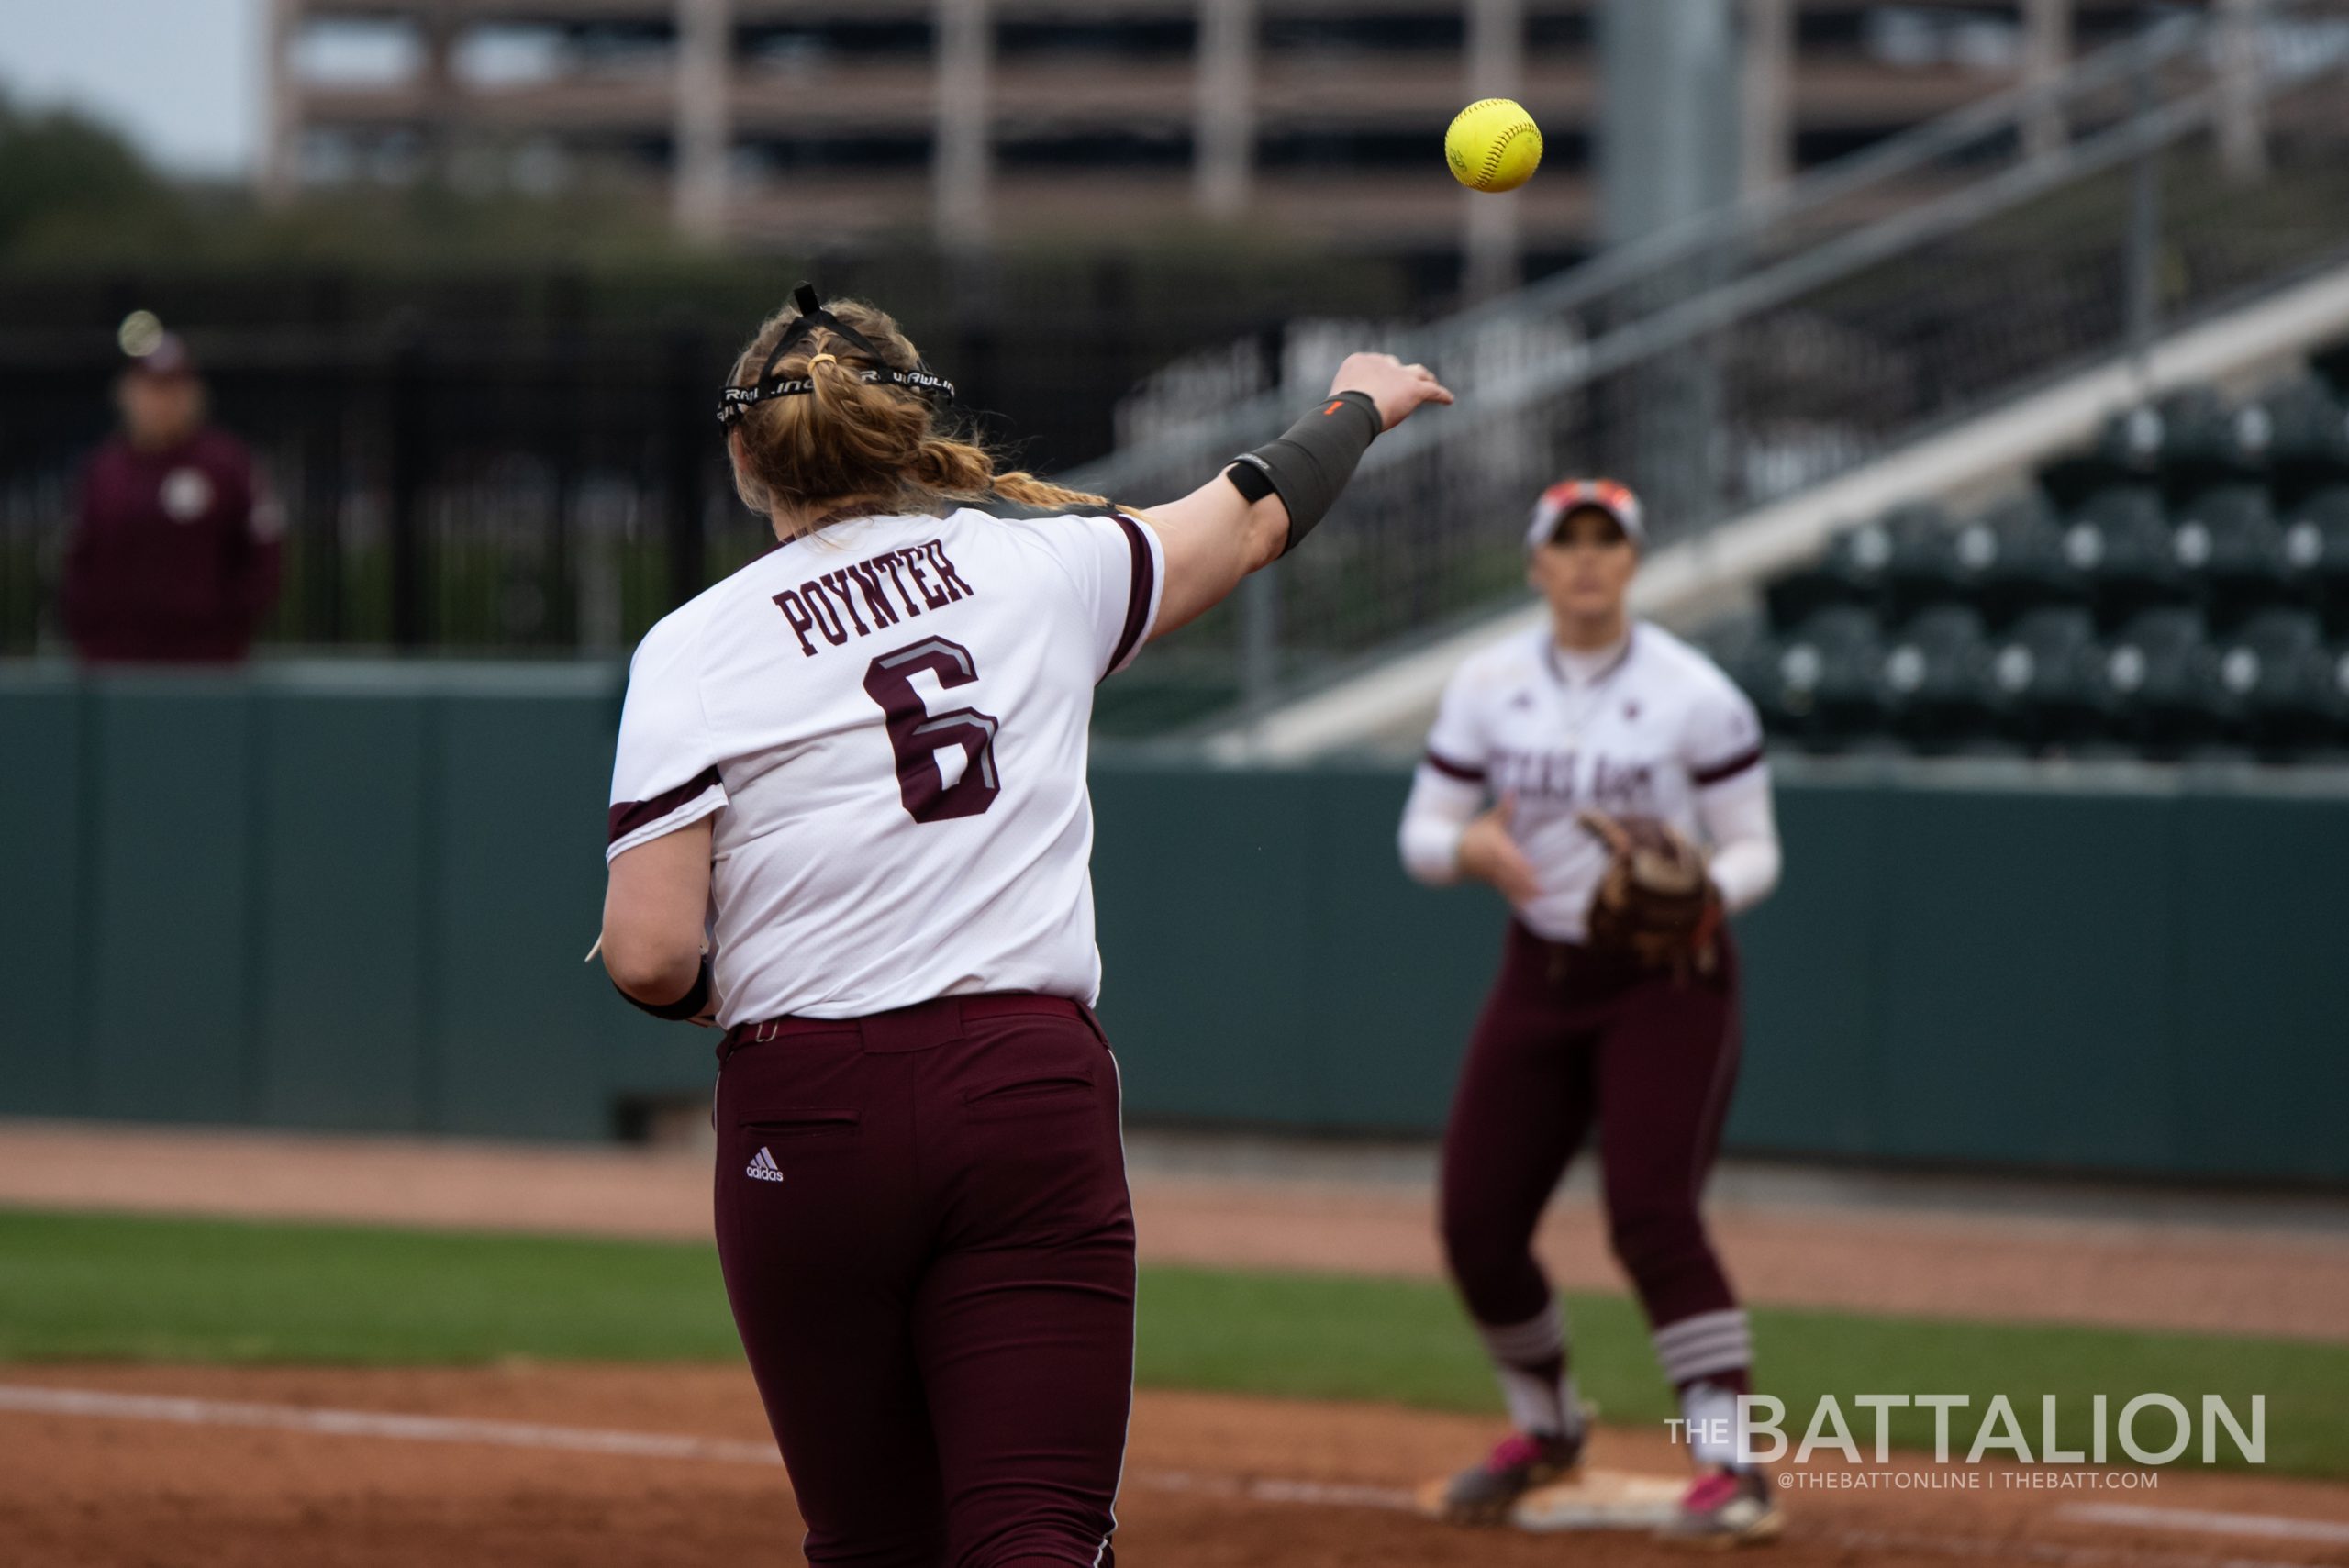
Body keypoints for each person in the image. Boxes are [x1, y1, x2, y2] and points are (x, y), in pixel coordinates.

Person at [597, 284, 1449, 1567]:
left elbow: (652, 952)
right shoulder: (1040, 565)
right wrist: (1359, 404)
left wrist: (721, 992)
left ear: (742, 455)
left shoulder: (693, 648)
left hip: (810, 1107)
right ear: (908, 428)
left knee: (873, 1543)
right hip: (1023, 1090)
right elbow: (1252, 515)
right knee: (1037, 1535)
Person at [1397, 479, 1785, 1546]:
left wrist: (1706, 890)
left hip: (1667, 980)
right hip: (1540, 971)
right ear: (1534, 563)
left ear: (1632, 560)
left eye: (1603, 542)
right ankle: (1549, 1423)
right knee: (1476, 1224)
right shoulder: (1487, 682)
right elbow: (1421, 834)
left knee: (1652, 1213)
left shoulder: (1693, 694)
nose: (1582, 560)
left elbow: (1757, 846)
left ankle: (1730, 1461)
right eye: (1563, 542)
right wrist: (1467, 848)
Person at [62, 329, 282, 662]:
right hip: (115, 661)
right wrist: (92, 635)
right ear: (128, 394)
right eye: (152, 389)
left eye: (173, 389)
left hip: (205, 663)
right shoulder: (103, 470)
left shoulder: (226, 464)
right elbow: (77, 558)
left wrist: (227, 632)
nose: (162, 401)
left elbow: (264, 556)